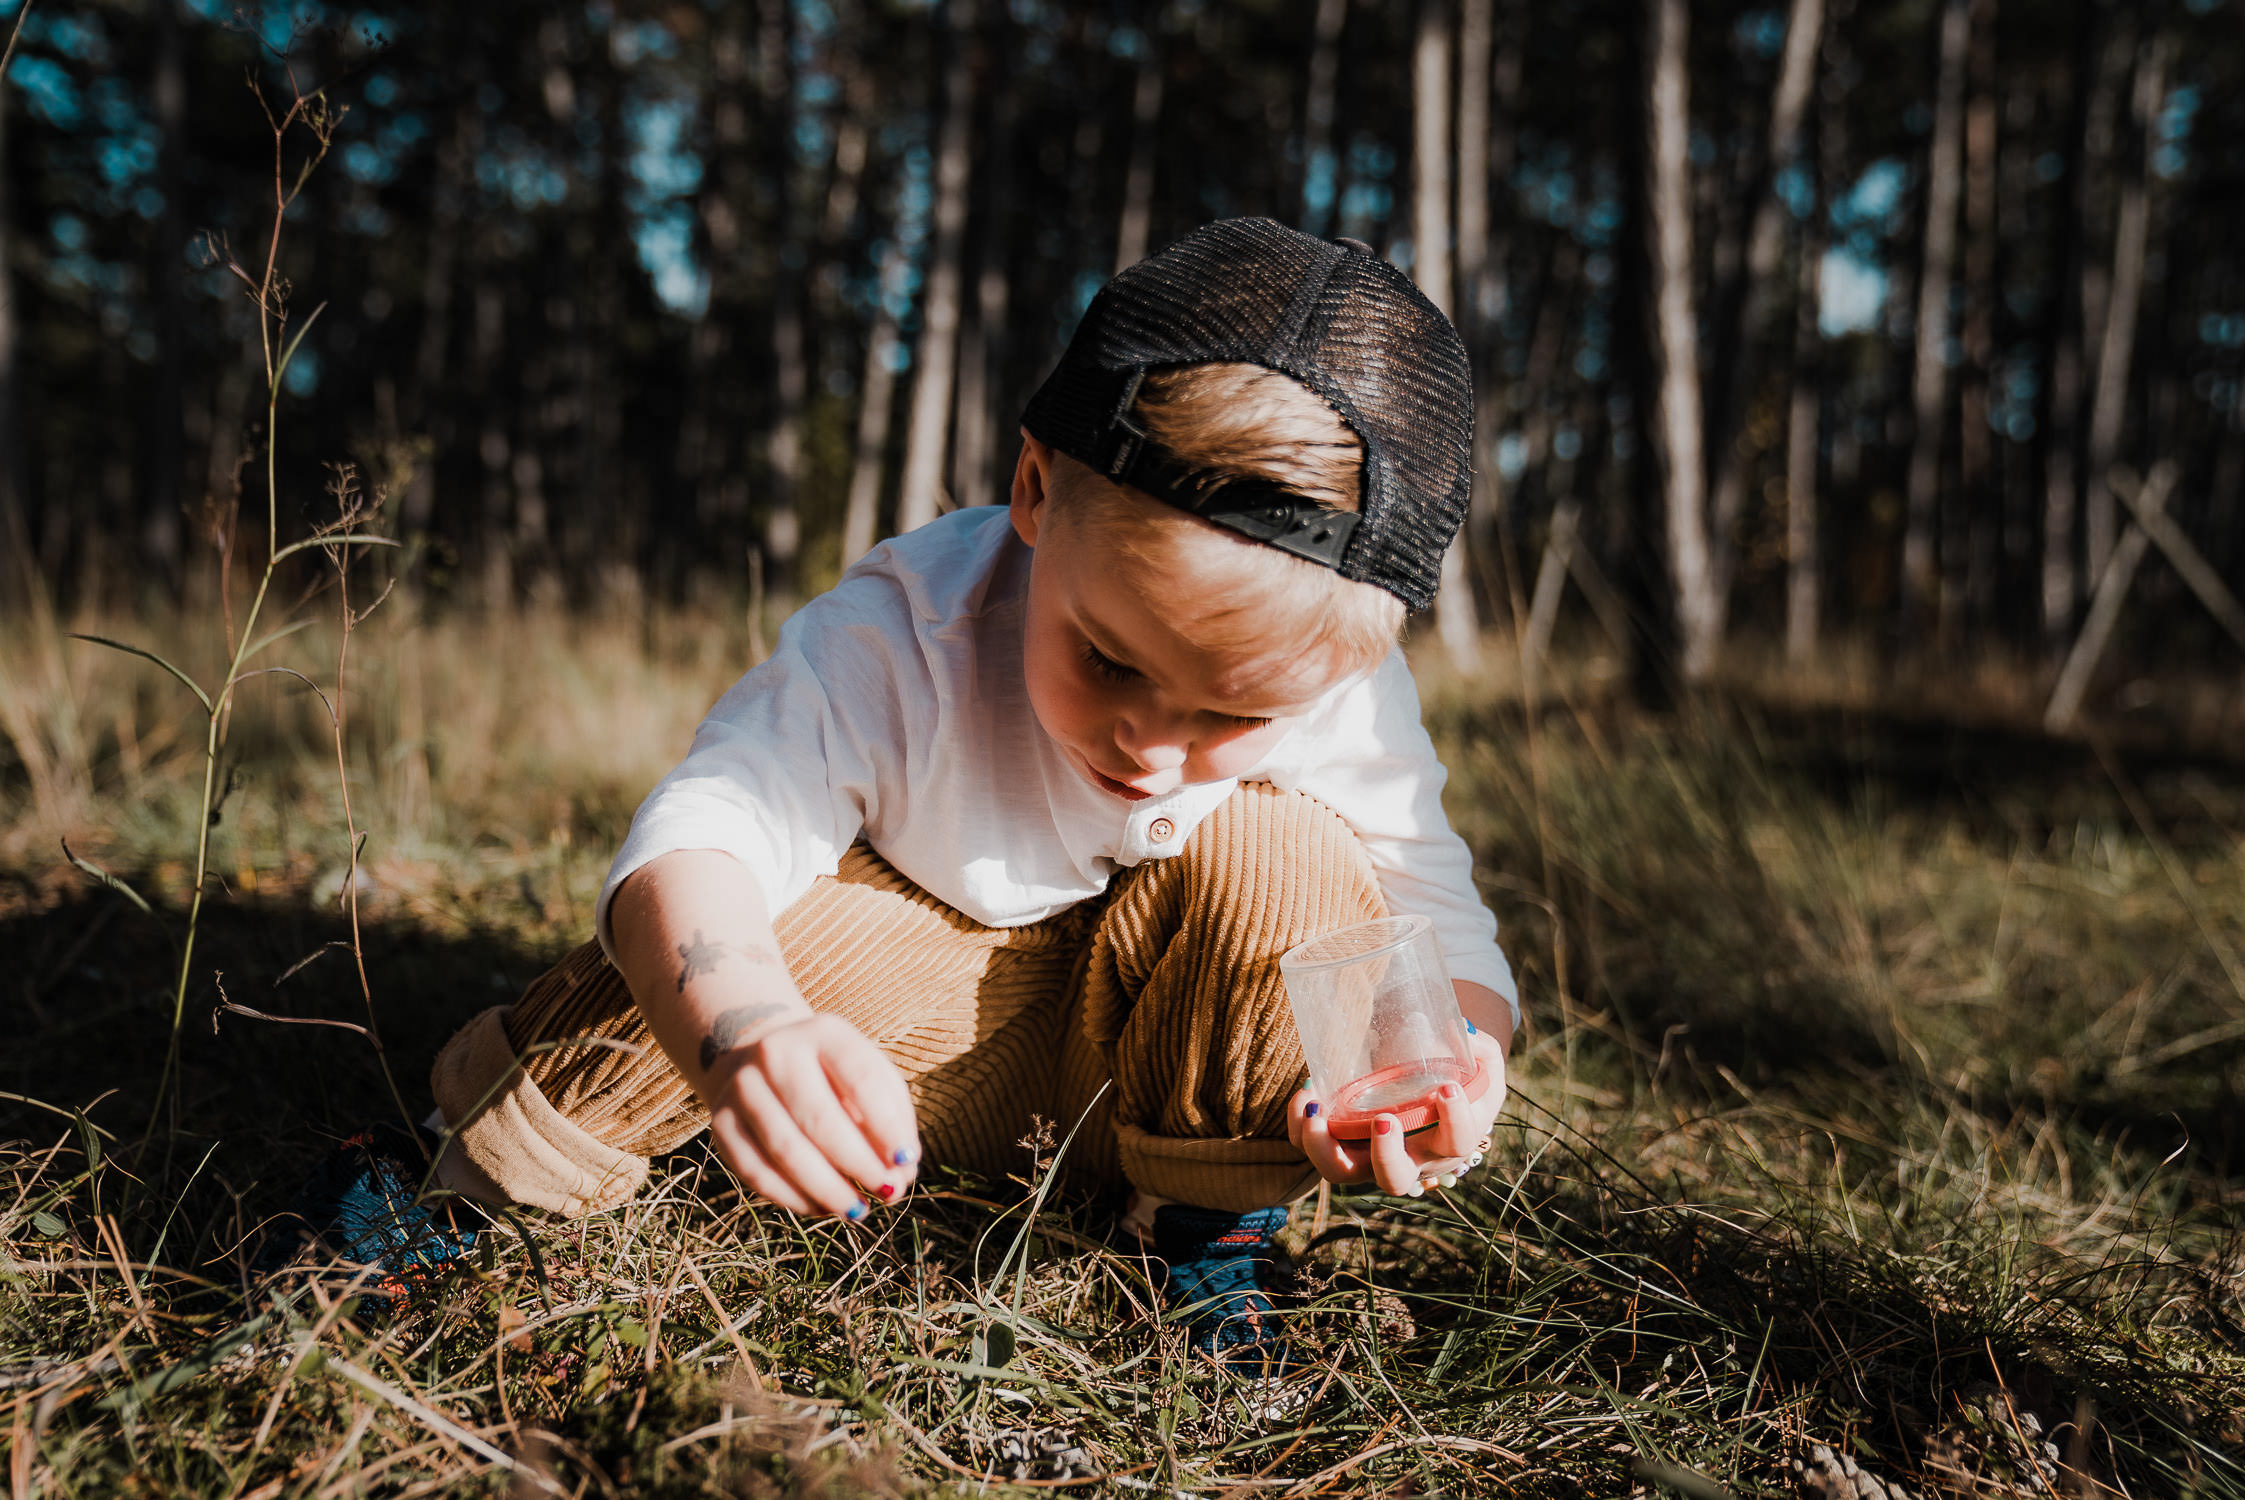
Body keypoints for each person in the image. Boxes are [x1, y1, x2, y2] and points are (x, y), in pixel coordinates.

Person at [309, 218, 1517, 1365]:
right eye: (1109, 661)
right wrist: (749, 1033)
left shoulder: (1343, 694)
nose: (1153, 745)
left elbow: (1437, 910)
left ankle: (1196, 1226)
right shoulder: (910, 631)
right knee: (721, 925)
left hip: (1127, 1095)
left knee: (1294, 858)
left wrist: (1451, 1073)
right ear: (1037, 492)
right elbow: (706, 834)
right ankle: (468, 1183)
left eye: (1239, 716)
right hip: (888, 1061)